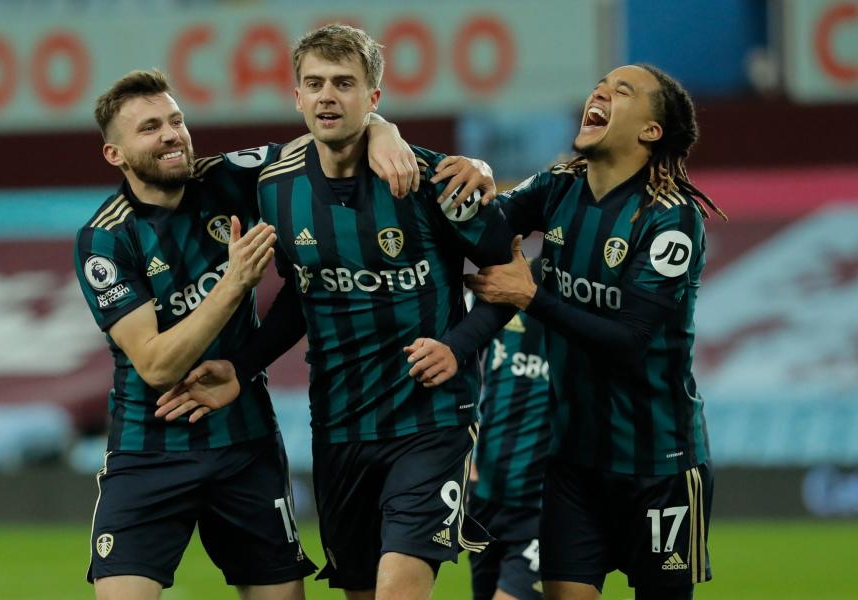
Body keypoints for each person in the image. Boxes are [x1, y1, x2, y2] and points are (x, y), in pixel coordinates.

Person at [156, 24, 516, 600]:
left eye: (344, 84)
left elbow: (510, 283)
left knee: (400, 587)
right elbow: (302, 294)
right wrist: (242, 364)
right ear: (296, 97)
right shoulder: (270, 184)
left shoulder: (437, 181)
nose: (327, 96)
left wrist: (459, 345)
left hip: (431, 421)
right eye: (315, 83)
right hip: (339, 424)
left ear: (373, 98)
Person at [74, 68, 455, 600]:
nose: (171, 135)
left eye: (176, 120)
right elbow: (157, 366)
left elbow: (328, 131)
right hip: (149, 450)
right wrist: (233, 286)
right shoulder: (105, 239)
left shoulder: (228, 177)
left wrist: (382, 126)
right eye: (150, 127)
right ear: (115, 155)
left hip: (245, 445)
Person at [465, 64, 727, 600]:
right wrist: (459, 174)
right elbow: (481, 233)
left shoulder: (670, 219)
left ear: (650, 131)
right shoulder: (556, 188)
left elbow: (629, 342)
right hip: (573, 463)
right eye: (601, 85)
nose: (600, 92)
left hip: (661, 465)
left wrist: (532, 296)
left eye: (622, 90)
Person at [468, 295, 552, 600]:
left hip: (543, 506)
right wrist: (467, 461)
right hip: (486, 498)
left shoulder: (584, 305)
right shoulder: (500, 293)